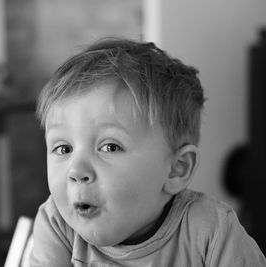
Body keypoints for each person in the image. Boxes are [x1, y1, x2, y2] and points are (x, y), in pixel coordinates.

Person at [30, 38, 266, 266]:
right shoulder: (57, 225)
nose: (76, 170)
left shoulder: (212, 232)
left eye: (110, 147)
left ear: (176, 169)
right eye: (64, 148)